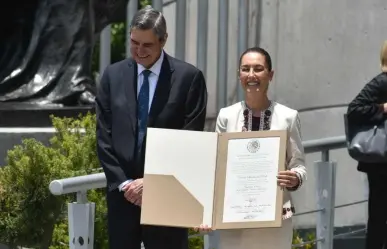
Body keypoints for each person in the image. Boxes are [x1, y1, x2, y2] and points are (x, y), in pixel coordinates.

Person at [96, 6, 208, 249]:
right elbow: (103, 137)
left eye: (147, 45)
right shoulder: (112, 76)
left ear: (163, 40)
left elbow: (190, 141)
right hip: (123, 198)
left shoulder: (189, 79)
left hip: (168, 196)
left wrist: (152, 182)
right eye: (134, 43)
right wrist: (125, 184)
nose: (139, 51)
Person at [195, 47, 307, 249]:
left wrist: (295, 177)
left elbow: (299, 164)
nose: (251, 75)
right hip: (233, 219)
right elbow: (215, 168)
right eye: (245, 69)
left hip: (275, 220)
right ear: (239, 75)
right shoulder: (226, 116)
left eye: (258, 69)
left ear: (270, 75)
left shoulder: (288, 116)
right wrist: (207, 212)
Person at [346, 40, 387, 249]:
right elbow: (354, 110)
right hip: (382, 163)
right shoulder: (382, 82)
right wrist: (383, 108)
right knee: (379, 218)